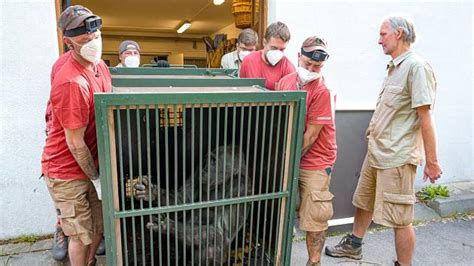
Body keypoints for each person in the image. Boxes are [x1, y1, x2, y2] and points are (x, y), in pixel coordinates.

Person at [325, 15, 442, 266]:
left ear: (399, 34)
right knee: (363, 201)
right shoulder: (395, 67)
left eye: (383, 34)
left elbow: (425, 118)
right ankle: (354, 246)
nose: (379, 40)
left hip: (397, 157)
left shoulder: (416, 67)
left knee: (400, 218)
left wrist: (432, 161)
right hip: (377, 152)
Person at [41, 5, 112, 265]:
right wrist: (96, 178)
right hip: (67, 169)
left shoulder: (100, 66)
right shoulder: (71, 81)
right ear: (68, 41)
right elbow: (74, 142)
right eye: (85, 39)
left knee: (98, 227)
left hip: (92, 163)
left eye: (96, 36)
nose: (93, 42)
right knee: (80, 235)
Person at [276, 36, 336, 266]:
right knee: (281, 211)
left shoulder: (323, 91)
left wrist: (285, 161)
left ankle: (314, 261)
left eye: (317, 67)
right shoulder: (286, 82)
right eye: (308, 64)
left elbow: (310, 136)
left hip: (316, 160)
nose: (311, 70)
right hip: (289, 155)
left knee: (315, 215)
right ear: (298, 56)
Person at [239, 21, 295, 90]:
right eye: (274, 48)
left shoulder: (288, 68)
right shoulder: (248, 61)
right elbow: (241, 90)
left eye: (282, 49)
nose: (278, 53)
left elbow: (289, 99)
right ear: (264, 42)